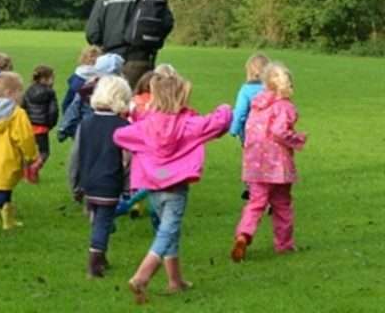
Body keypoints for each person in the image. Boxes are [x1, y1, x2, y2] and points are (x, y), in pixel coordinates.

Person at [113, 73, 232, 304]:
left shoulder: (146, 126)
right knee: (168, 230)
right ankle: (142, 275)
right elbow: (218, 123)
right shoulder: (189, 124)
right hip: (175, 186)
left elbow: (119, 135)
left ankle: (175, 280)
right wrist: (225, 108)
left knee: (168, 231)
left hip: (154, 184)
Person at [231, 62, 307, 263]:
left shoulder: (257, 105)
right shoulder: (285, 107)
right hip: (277, 166)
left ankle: (243, 234)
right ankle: (284, 244)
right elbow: (279, 131)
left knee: (255, 203)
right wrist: (297, 139)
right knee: (282, 204)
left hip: (255, 164)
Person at [69, 76, 132, 278]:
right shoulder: (122, 126)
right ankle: (94, 263)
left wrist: (75, 183)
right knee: (104, 221)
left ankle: (101, 256)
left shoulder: (86, 123)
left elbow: (76, 155)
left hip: (89, 181)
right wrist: (128, 185)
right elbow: (127, 159)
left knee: (99, 219)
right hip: (109, 181)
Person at [85, 0, 174, 88]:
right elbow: (167, 23)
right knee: (138, 104)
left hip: (109, 62)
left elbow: (92, 34)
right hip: (140, 61)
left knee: (109, 101)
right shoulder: (151, 0)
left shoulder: (105, 0)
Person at [0, 72, 40, 236]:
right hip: (8, 158)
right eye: (20, 92)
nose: (22, 96)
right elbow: (25, 137)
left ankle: (8, 221)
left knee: (5, 189)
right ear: (9, 93)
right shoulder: (17, 114)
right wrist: (31, 155)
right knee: (2, 192)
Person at [229, 53, 270, 200]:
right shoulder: (271, 89)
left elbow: (240, 112)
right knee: (268, 160)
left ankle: (251, 187)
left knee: (251, 159)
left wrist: (233, 129)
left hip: (250, 133)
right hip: (270, 132)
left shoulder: (246, 90)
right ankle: (269, 189)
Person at [58, 53, 125, 143]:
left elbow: (74, 107)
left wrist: (64, 126)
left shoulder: (87, 87)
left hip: (91, 127)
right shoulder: (122, 89)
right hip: (107, 129)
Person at [21, 65, 58, 183]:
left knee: (30, 152)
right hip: (42, 127)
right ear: (46, 79)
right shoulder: (50, 92)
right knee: (44, 152)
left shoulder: (28, 90)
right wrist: (51, 124)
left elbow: (23, 107)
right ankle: (35, 167)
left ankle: (27, 175)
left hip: (29, 126)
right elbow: (53, 111)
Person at [62, 45, 102, 113]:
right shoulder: (78, 75)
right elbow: (68, 100)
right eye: (91, 56)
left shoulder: (102, 76)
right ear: (84, 58)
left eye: (97, 56)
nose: (94, 59)